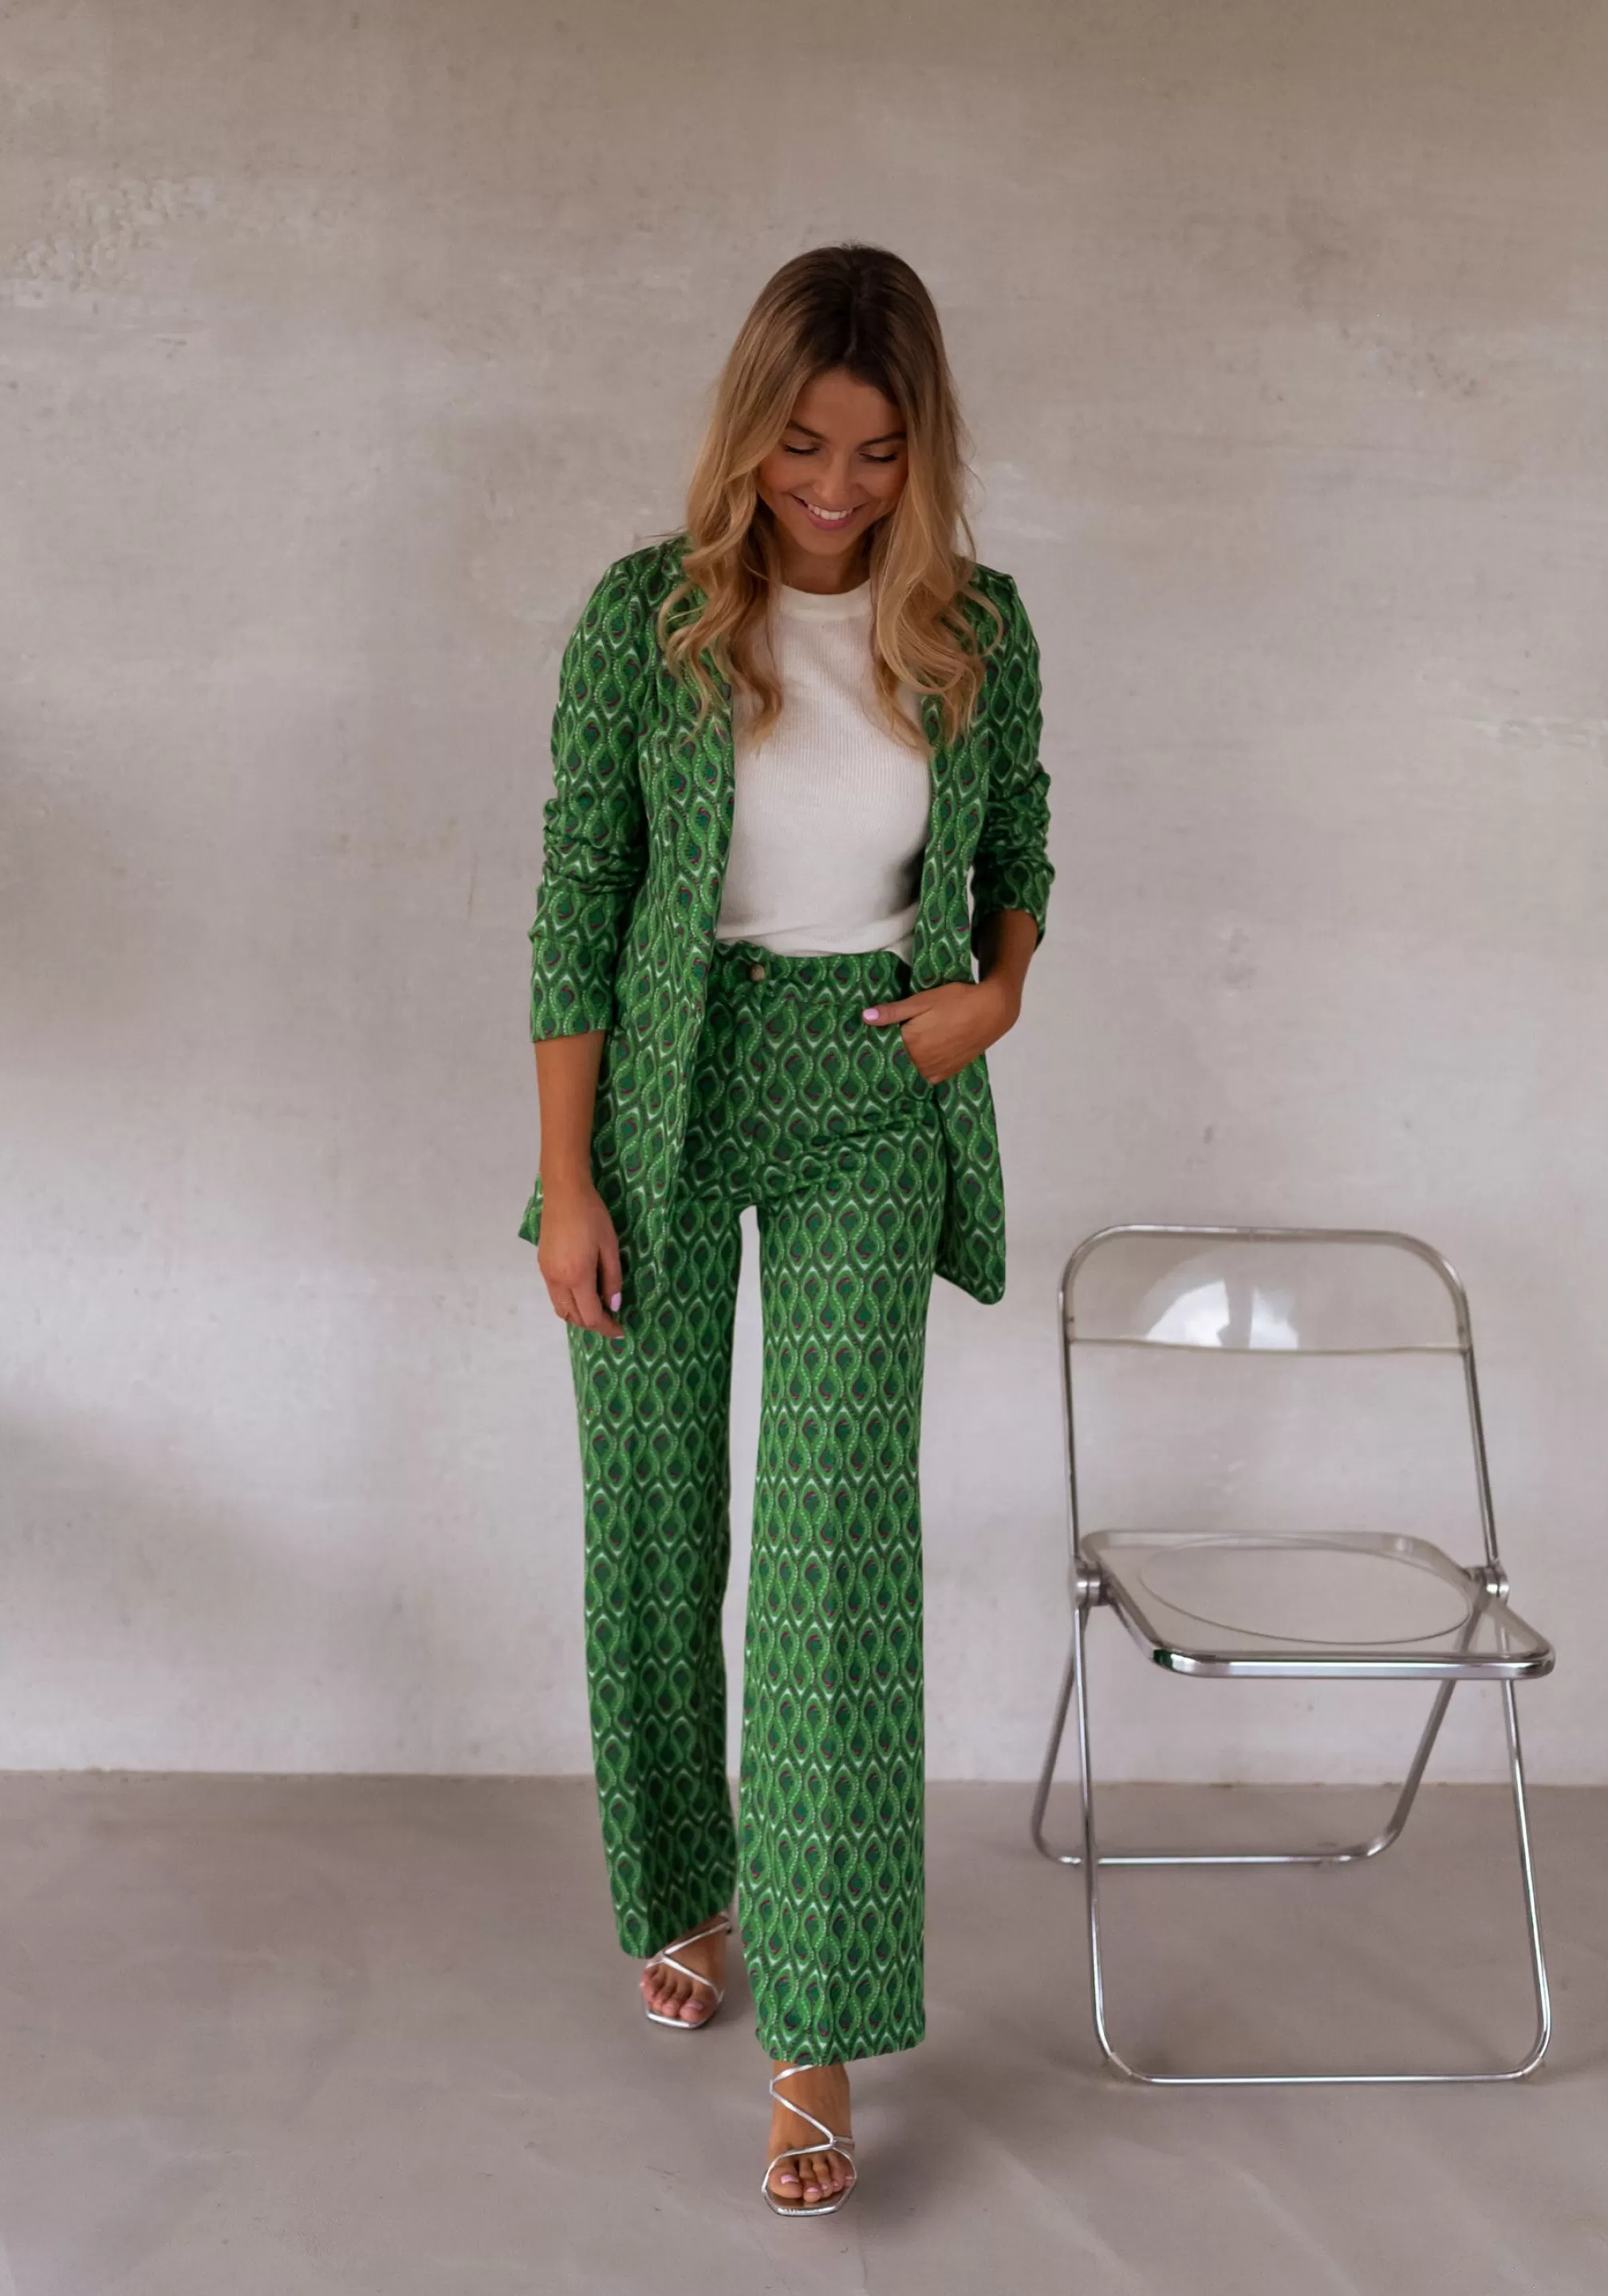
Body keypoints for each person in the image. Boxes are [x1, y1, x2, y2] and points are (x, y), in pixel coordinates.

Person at [519, 242, 1054, 2216]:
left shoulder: (975, 627)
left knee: (833, 1561)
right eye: (803, 444)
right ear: (747, 432)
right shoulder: (645, 618)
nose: (835, 486)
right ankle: (685, 1883)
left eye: (879, 451)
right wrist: (571, 1181)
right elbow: (580, 900)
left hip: (869, 1085)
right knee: (654, 1519)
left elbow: (1023, 838)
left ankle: (816, 2024)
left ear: (925, 454)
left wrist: (997, 995)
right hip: (665, 1088)